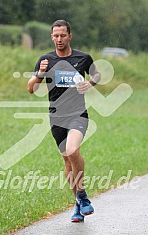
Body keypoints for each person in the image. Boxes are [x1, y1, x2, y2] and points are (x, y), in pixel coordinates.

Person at [28, 20, 101, 222]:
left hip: (78, 115)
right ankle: (78, 204)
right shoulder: (46, 60)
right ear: (52, 37)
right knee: (67, 161)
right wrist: (40, 74)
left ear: (70, 36)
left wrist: (90, 82)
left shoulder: (83, 58)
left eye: (62, 35)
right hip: (56, 117)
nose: (59, 39)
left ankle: (83, 194)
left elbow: (97, 74)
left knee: (72, 150)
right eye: (56, 36)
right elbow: (30, 88)